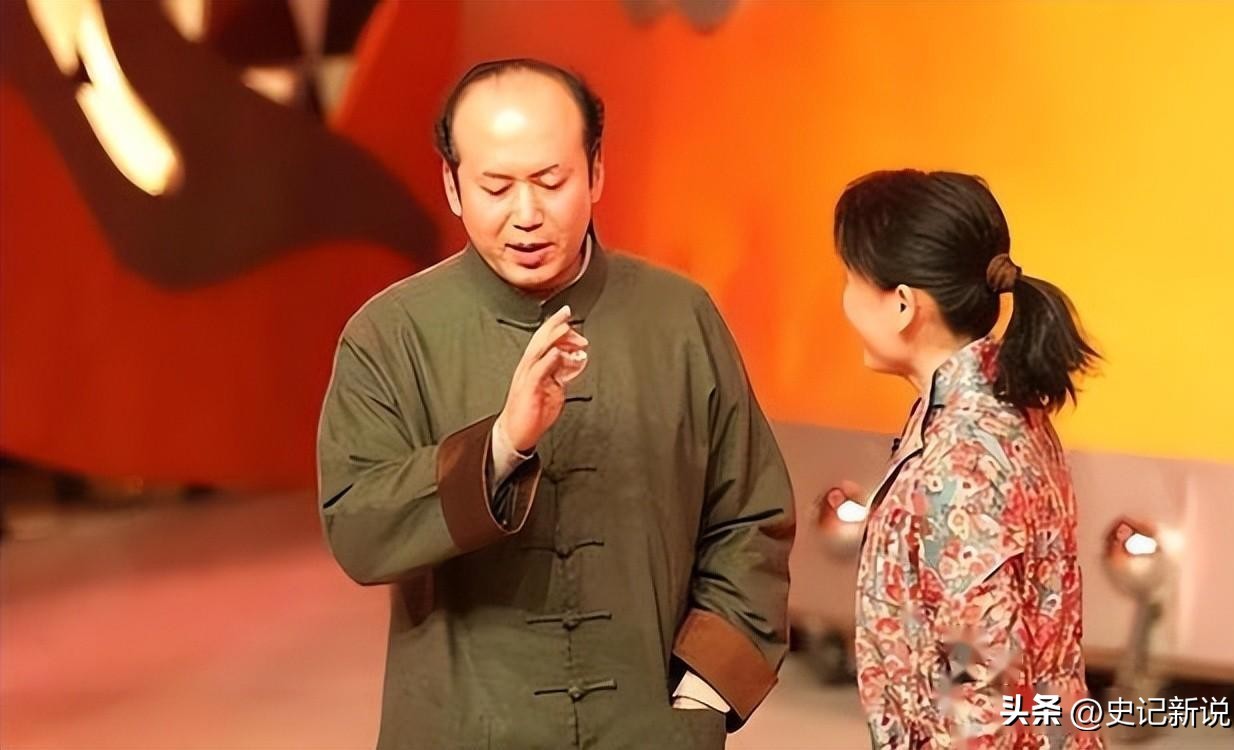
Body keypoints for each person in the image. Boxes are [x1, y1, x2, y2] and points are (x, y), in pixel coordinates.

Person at [316, 58, 794, 749]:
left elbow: (752, 516)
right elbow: (357, 528)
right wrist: (501, 446)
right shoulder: (389, 335)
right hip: (463, 729)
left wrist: (705, 693)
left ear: (595, 172)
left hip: (648, 728)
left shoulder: (679, 317)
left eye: (551, 181)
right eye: (496, 187)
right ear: (452, 186)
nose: (527, 215)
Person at [831, 170, 1102, 748]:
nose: (844, 300)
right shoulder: (1002, 406)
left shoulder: (960, 462)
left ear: (903, 304)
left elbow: (982, 697)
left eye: (851, 279)